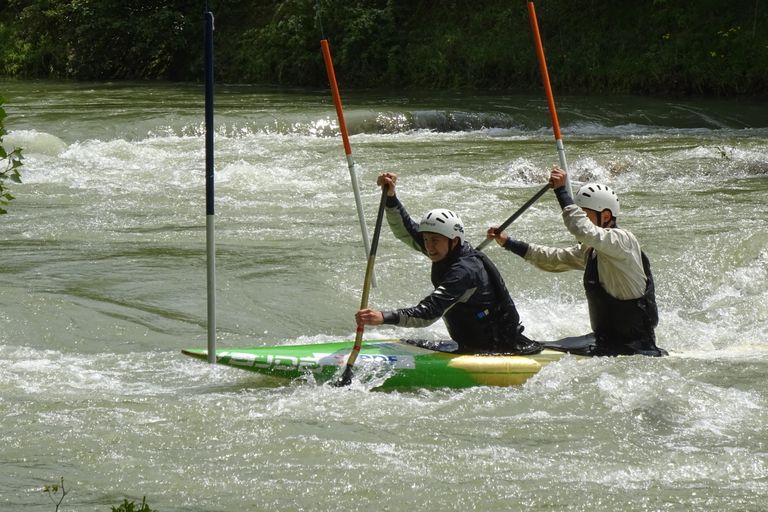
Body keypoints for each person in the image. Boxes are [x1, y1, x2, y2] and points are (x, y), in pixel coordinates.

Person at [355, 172, 541, 355]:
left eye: (434, 240)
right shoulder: (444, 249)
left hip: (494, 348)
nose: (429, 246)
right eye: (426, 239)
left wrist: (383, 317)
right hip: (469, 344)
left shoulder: (464, 271)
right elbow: (405, 229)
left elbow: (429, 312)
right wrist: (390, 196)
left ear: (454, 240)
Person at [486, 167, 665, 357]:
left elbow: (582, 229)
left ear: (605, 217)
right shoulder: (592, 251)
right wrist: (509, 243)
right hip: (605, 341)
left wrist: (561, 191)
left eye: (585, 215)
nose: (583, 221)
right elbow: (553, 259)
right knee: (532, 345)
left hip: (636, 347)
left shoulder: (623, 242)